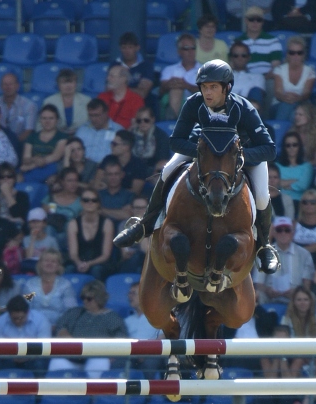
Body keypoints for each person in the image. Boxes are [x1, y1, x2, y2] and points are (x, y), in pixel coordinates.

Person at [113, 65, 280, 271]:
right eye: (204, 87)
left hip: (243, 155)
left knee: (262, 195)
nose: (207, 93)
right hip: (202, 152)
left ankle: (264, 246)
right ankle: (144, 225)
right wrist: (204, 154)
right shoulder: (194, 103)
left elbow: (269, 149)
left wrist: (239, 157)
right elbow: (175, 141)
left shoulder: (243, 108)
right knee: (167, 169)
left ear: (227, 88)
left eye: (212, 87)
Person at [52, 280, 128, 377]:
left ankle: (93, 391)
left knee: (100, 361)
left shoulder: (112, 317)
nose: (85, 301)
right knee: (57, 361)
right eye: (83, 297)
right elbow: (60, 326)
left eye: (89, 298)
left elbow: (120, 337)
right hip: (73, 356)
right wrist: (63, 332)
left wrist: (111, 354)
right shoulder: (75, 312)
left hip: (97, 355)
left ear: (99, 298)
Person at [253, 216, 314, 305]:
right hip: (269, 296)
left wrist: (297, 292)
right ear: (274, 233)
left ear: (293, 233)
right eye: (279, 230)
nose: (283, 233)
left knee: (309, 296)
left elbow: (307, 284)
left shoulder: (304, 254)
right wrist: (268, 290)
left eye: (287, 230)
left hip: (296, 295)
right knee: (256, 295)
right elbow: (258, 283)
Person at [0, 295, 53, 373]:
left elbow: (45, 346)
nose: (18, 321)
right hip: (9, 358)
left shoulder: (41, 320)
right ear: (9, 314)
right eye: (14, 318)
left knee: (40, 364)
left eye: (21, 318)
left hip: (34, 358)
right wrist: (12, 356)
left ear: (27, 312)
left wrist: (27, 356)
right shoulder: (1, 321)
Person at [67, 189, 116, 279]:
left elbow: (105, 255)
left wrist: (89, 264)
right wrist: (79, 263)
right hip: (79, 261)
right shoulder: (73, 223)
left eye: (94, 200)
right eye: (86, 200)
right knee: (69, 269)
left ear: (98, 203)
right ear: (81, 202)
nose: (90, 203)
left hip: (99, 262)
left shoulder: (107, 223)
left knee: (96, 270)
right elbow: (73, 253)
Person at [21, 248, 77, 325]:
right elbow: (24, 308)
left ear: (58, 266)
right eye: (46, 260)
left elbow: (71, 311)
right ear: (40, 264)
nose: (49, 263)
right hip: (33, 327)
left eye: (53, 261)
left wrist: (57, 327)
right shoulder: (30, 285)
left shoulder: (65, 285)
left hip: (60, 328)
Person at [271, 36, 316, 121]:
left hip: (301, 104)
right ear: (287, 54)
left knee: (293, 114)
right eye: (292, 53)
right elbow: (278, 93)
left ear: (304, 54)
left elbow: (307, 93)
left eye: (299, 53)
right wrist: (286, 98)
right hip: (279, 104)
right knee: (287, 105)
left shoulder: (310, 71)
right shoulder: (279, 70)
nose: (296, 56)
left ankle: (280, 131)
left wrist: (297, 98)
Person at [20, 104, 68, 183]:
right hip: (32, 168)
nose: (47, 121)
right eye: (44, 118)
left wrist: (32, 165)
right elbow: (26, 158)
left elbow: (56, 156)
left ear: (57, 120)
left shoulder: (62, 137)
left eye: (51, 118)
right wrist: (35, 159)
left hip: (51, 169)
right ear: (40, 120)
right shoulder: (32, 137)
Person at [160, 33, 202, 120]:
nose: (190, 52)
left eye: (193, 48)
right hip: (174, 102)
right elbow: (160, 92)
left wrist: (186, 86)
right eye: (186, 48)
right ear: (179, 52)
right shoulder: (169, 69)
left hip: (197, 103)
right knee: (176, 88)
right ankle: (172, 123)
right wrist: (170, 84)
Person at [95, 129, 147, 195]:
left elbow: (135, 192)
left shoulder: (139, 165)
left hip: (128, 202)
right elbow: (96, 185)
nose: (111, 146)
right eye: (111, 143)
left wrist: (110, 188)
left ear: (126, 147)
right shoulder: (108, 159)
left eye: (114, 144)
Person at [42, 68, 91, 135]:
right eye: (64, 83)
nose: (68, 86)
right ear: (58, 85)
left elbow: (90, 123)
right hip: (55, 136)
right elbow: (42, 125)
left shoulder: (87, 100)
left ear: (76, 84)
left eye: (71, 82)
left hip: (81, 136)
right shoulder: (49, 101)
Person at [236, 7, 282, 75]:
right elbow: (234, 65)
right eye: (251, 19)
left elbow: (276, 67)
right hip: (245, 78)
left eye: (259, 20)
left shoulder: (273, 41)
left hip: (268, 79)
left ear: (263, 22)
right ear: (246, 21)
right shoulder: (237, 42)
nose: (255, 22)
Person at [75, 98, 123, 164]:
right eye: (91, 115)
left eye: (97, 115)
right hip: (83, 167)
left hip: (106, 169)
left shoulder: (118, 131)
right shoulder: (82, 129)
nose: (93, 119)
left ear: (106, 113)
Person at [111, 32, 155, 103]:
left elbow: (142, 93)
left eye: (130, 47)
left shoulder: (146, 65)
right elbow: (108, 89)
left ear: (137, 48)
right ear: (120, 48)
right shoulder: (114, 64)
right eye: (124, 47)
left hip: (140, 104)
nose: (127, 51)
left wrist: (120, 87)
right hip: (118, 102)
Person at [99, 65, 144, 130]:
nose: (107, 78)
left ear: (123, 79)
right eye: (108, 75)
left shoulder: (136, 100)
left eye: (112, 76)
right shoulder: (102, 97)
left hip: (124, 136)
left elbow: (136, 126)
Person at [0, 72, 36, 142]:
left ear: (17, 86)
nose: (8, 87)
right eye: (5, 84)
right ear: (1, 87)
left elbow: (29, 130)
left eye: (11, 84)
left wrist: (13, 144)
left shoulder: (29, 105)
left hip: (19, 143)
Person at [228, 42, 266, 111]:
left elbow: (257, 98)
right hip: (227, 110)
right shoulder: (223, 77)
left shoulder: (258, 77)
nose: (240, 58)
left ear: (249, 57)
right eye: (236, 55)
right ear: (231, 58)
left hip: (248, 112)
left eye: (244, 55)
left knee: (256, 91)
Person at [130, 106, 170, 172]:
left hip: (152, 169)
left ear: (153, 119)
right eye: (139, 121)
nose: (142, 123)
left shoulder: (161, 136)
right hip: (134, 170)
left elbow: (163, 158)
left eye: (146, 120)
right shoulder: (132, 135)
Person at [96, 157, 135, 221]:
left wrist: (102, 210)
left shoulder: (130, 195)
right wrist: (118, 212)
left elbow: (127, 215)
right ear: (105, 176)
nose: (113, 177)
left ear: (122, 175)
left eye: (116, 174)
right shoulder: (98, 194)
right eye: (110, 174)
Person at [294, 189, 316, 259]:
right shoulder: (294, 223)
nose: (308, 205)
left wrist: (298, 252)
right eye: (305, 202)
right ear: (301, 205)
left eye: (313, 202)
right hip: (295, 259)